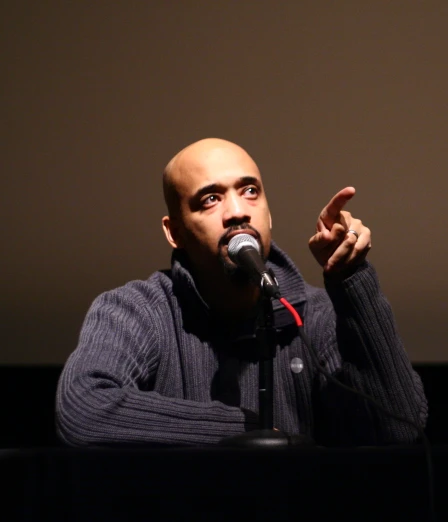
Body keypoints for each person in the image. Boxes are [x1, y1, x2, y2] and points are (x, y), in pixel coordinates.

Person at [56, 138, 427, 446]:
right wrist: (250, 434)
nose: (237, 211)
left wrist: (351, 280)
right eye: (210, 199)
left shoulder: (315, 314)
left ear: (268, 215)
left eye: (250, 191)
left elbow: (400, 427)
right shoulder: (135, 310)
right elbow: (84, 410)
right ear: (176, 233)